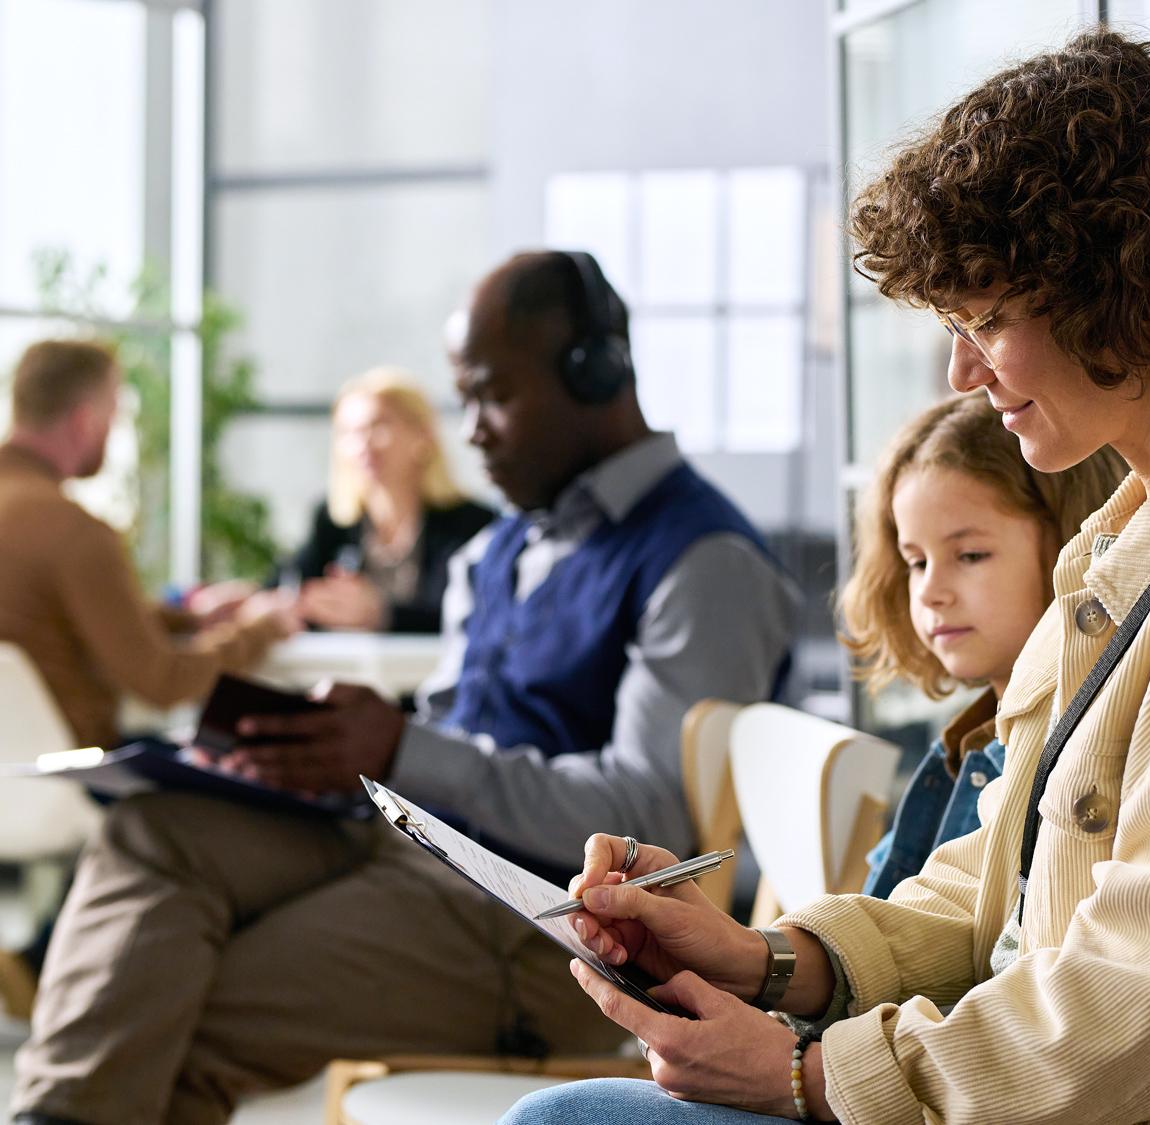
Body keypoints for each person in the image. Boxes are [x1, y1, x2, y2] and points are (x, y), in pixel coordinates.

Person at [503, 31, 1150, 1125]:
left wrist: (805, 1076)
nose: (962, 373)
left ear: (1131, 295)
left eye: (988, 322)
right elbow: (997, 897)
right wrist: (764, 960)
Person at [9, 251, 800, 1125]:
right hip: (405, 844)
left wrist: (398, 747)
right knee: (151, 826)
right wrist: (325, 757)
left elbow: (655, 819)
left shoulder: (702, 561)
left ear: (598, 371)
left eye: (493, 395)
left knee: (162, 1008)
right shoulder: (501, 551)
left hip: (540, 921)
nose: (472, 431)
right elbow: (459, 728)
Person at [840, 394, 1125, 899]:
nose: (930, 591)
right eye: (917, 562)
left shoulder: (1083, 768)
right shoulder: (958, 750)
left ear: (1074, 542)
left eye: (969, 555)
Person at [0, 339, 296, 750]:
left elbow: (66, 616)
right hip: (76, 779)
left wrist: (189, 619)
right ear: (86, 420)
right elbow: (164, 681)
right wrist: (262, 628)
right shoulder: (73, 532)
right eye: (116, 413)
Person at [283, 367, 494, 633]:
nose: (363, 444)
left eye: (378, 425)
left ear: (422, 435)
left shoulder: (472, 524)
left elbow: (476, 615)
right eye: (349, 432)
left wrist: (382, 614)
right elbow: (292, 588)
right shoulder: (331, 522)